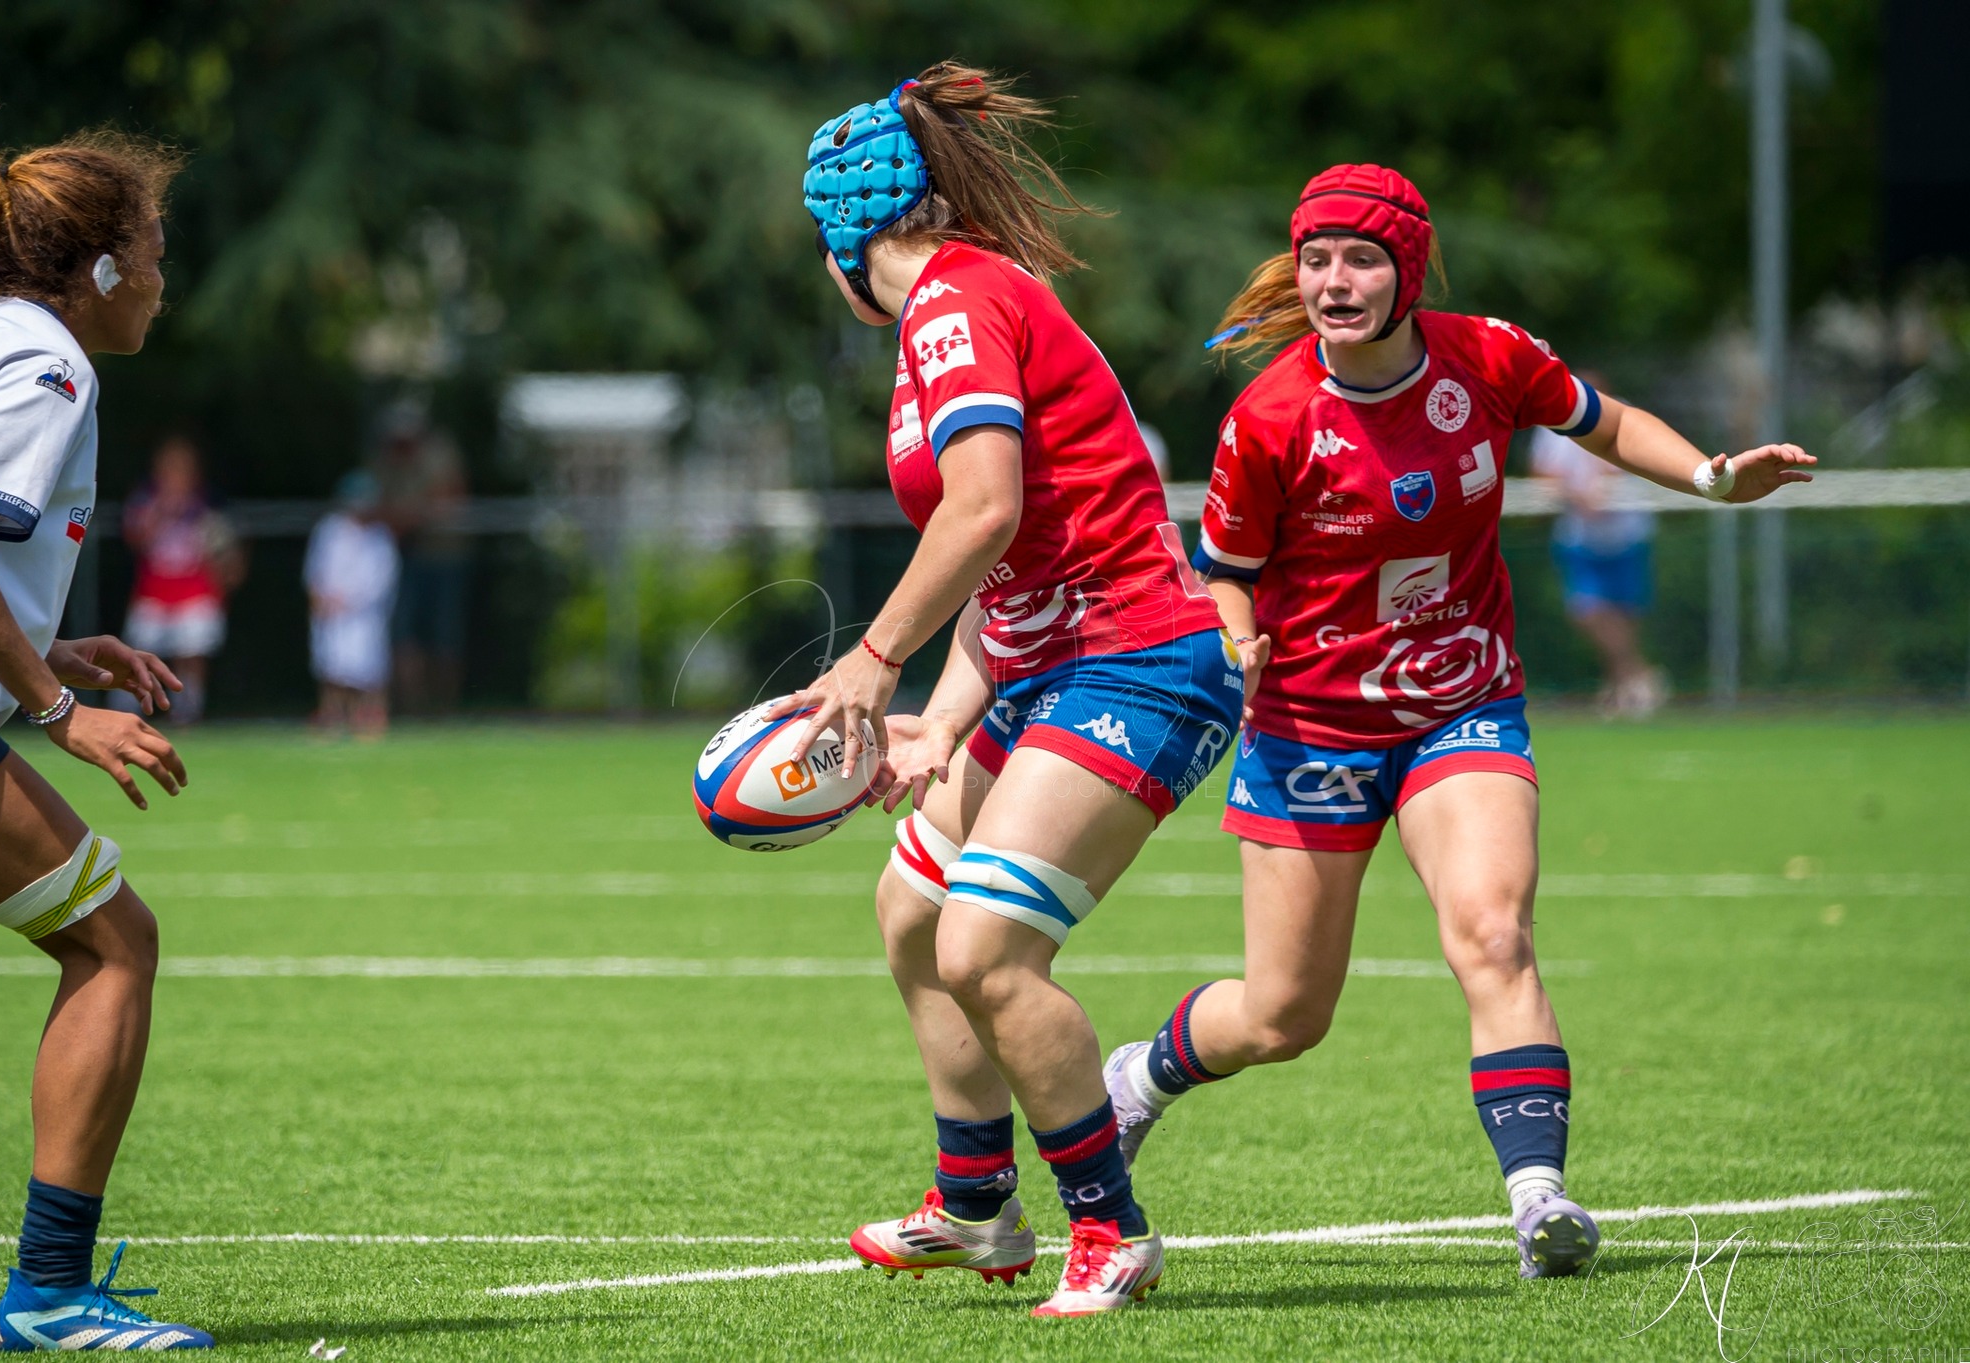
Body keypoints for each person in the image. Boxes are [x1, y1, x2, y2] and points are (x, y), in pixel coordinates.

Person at [1101, 164, 1814, 1282]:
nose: (1333, 282)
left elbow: (1607, 422)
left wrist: (1712, 478)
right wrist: (1237, 642)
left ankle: (1538, 1202)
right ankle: (1136, 1078)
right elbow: (1223, 571)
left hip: (1459, 703)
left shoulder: (1486, 355)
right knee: (1284, 1015)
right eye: (1316, 259)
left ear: (1407, 269)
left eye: (1360, 259)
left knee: (1492, 930)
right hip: (1310, 730)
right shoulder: (1270, 416)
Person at [776, 64, 1240, 1317]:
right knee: (911, 911)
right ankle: (976, 1206)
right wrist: (943, 718)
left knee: (985, 942)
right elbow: (1008, 561)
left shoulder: (946, 308)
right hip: (1052, 663)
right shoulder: (963, 301)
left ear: (839, 248)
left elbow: (983, 510)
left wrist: (871, 667)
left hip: (1143, 661)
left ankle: (1110, 1229)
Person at [0, 106, 214, 1349]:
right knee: (114, 945)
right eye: (150, 247)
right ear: (98, 268)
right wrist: (57, 713)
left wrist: (46, 649)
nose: (160, 275)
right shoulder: (49, 357)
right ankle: (47, 1294)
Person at [1528, 400, 1667, 718]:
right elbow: (1544, 471)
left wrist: (1599, 490)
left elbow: (1622, 460)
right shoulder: (1549, 428)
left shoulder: (1618, 415)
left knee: (1625, 612)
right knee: (1587, 611)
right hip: (1580, 535)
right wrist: (1578, 496)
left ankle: (1621, 684)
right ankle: (1636, 674)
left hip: (1625, 532)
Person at [121, 437, 243, 725]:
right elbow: (134, 540)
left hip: (194, 588)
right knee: (138, 652)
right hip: (153, 589)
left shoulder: (207, 503)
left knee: (192, 653)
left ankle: (187, 711)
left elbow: (224, 549)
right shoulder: (146, 501)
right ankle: (128, 711)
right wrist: (162, 511)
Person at [374, 401, 468, 716]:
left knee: (445, 635)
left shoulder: (439, 453)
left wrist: (410, 517)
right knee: (403, 633)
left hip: (445, 555)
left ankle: (444, 707)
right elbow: (383, 508)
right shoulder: (388, 461)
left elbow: (447, 500)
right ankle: (412, 707)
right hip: (404, 558)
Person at [304, 472, 399, 740]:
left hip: (365, 616)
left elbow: (382, 580)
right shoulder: (329, 531)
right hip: (331, 613)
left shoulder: (381, 537)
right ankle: (332, 715)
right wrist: (323, 599)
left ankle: (370, 716)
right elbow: (316, 572)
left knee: (368, 668)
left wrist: (352, 601)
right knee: (332, 666)